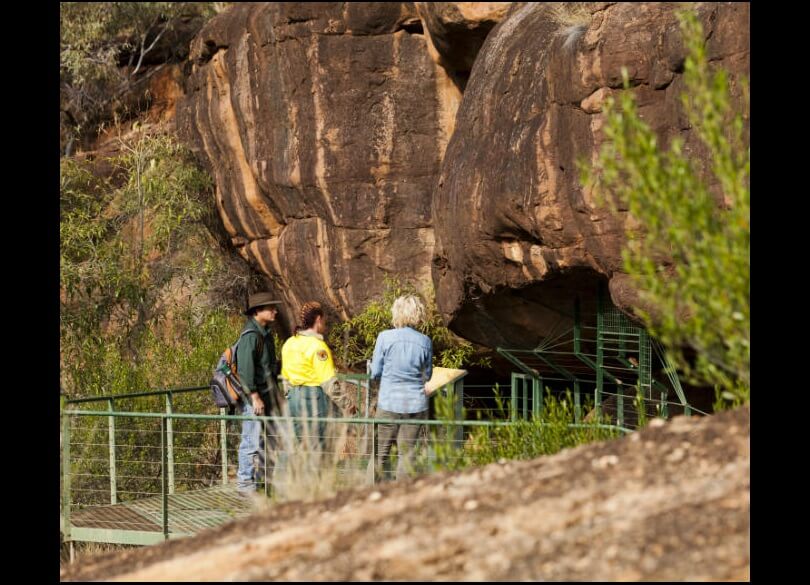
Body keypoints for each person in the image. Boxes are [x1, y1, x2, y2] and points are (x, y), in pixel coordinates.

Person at [369, 294, 433, 481]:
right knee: (407, 455)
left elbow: (375, 372)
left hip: (389, 402)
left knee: (380, 454)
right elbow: (427, 375)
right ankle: (402, 498)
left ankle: (372, 497)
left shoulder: (384, 337)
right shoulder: (425, 341)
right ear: (417, 314)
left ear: (396, 313)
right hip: (415, 405)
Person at [235, 292, 284, 497]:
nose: (274, 311)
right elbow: (245, 371)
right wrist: (254, 396)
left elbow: (270, 367)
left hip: (269, 396)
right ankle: (245, 484)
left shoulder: (266, 334)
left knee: (268, 441)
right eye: (269, 308)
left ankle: (262, 481)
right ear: (257, 312)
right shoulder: (250, 336)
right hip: (255, 400)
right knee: (251, 441)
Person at [280, 301, 339, 452]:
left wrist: (290, 395)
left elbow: (285, 377)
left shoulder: (290, 343)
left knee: (296, 444)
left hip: (293, 398)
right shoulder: (318, 346)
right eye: (324, 320)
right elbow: (329, 382)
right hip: (313, 399)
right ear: (318, 319)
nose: (324, 324)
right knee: (316, 446)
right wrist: (347, 405)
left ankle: (289, 475)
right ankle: (315, 475)